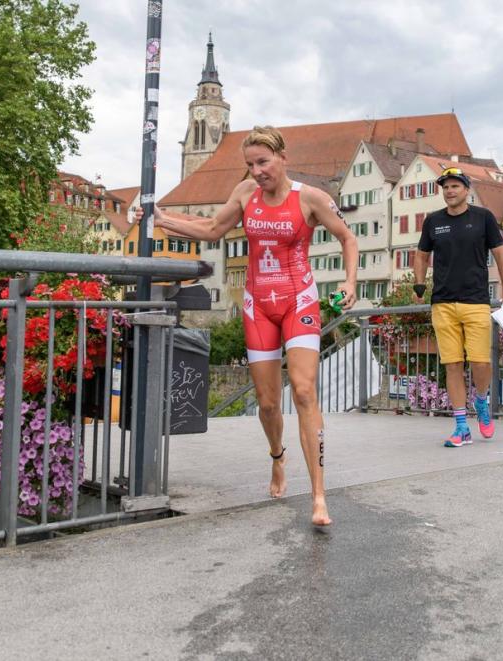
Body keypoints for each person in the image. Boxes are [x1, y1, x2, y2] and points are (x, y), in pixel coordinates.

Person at [148, 125, 358, 524]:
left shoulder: (308, 198)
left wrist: (349, 281)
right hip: (258, 304)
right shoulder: (245, 195)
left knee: (303, 390)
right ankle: (277, 456)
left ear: (282, 158)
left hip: (299, 300)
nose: (257, 171)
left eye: (263, 162)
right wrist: (163, 219)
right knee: (267, 403)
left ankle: (318, 495)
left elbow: (348, 237)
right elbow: (212, 230)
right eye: (250, 164)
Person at [413, 167, 503, 447]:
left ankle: (481, 400)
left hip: (475, 301)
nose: (449, 191)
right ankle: (461, 426)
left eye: (455, 186)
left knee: (481, 362)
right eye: (445, 187)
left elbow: (501, 255)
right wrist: (419, 284)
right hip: (442, 303)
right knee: (453, 364)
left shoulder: (483, 218)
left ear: (466, 190)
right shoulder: (433, 221)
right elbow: (421, 255)